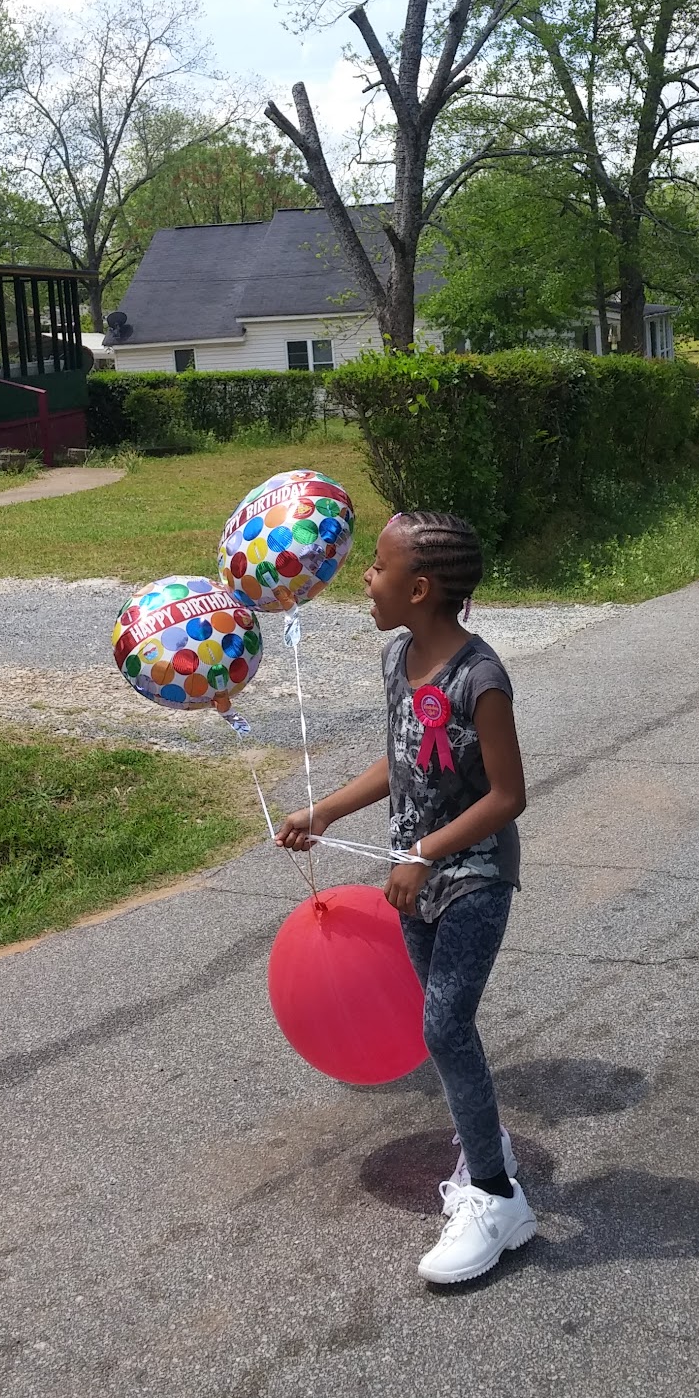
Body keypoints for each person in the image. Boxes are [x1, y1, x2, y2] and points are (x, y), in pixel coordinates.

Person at [277, 510, 536, 1285]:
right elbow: (401, 762)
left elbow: (508, 795)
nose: (365, 576)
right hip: (412, 878)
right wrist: (325, 811)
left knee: (444, 1024)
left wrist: (423, 853)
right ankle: (486, 1142)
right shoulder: (399, 659)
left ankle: (496, 1199)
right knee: (443, 1031)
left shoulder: (480, 678)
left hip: (473, 877)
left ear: (418, 588)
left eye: (378, 567)